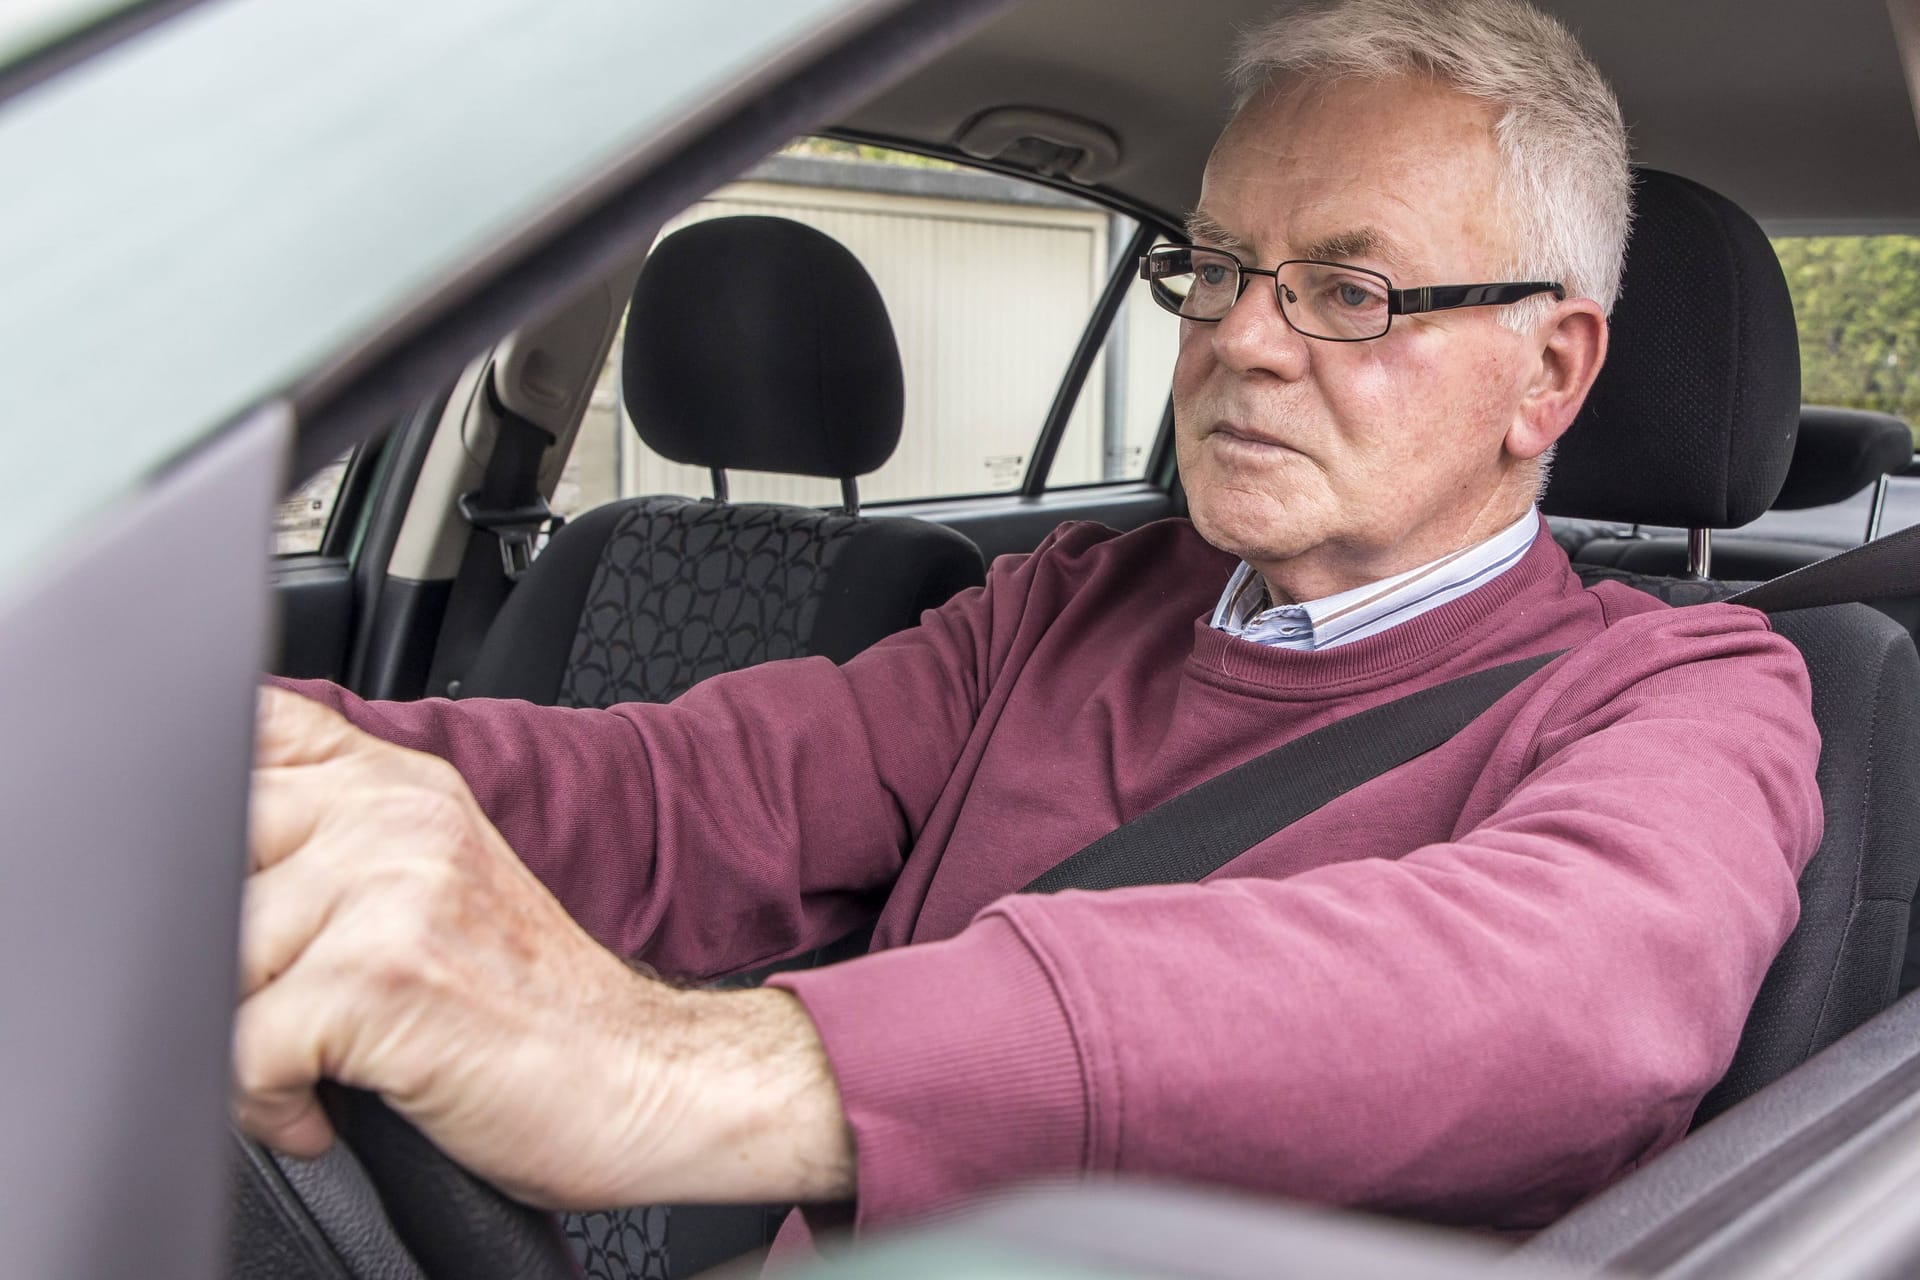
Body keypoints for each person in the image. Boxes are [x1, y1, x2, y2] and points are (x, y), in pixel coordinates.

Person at [237, 0, 1822, 1252]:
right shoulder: (1069, 603)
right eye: (1214, 266)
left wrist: (681, 1075)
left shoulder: (1685, 690)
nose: (1239, 342)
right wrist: (250, 779)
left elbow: (1565, 999)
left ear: (1549, 374)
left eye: (1351, 292)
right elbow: (685, 791)